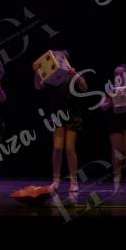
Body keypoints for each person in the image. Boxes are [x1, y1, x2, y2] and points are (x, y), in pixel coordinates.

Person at [35, 50, 86, 193]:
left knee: (69, 148)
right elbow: (38, 85)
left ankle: (74, 182)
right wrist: (37, 71)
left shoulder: (72, 73)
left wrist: (75, 75)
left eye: (63, 59)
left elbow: (84, 87)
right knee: (57, 148)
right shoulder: (53, 75)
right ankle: (56, 180)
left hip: (72, 114)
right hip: (57, 114)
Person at [99, 65, 126, 191]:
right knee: (117, 149)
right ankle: (117, 174)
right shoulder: (110, 89)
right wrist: (109, 102)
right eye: (116, 74)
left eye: (122, 74)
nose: (119, 76)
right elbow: (103, 106)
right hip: (115, 121)